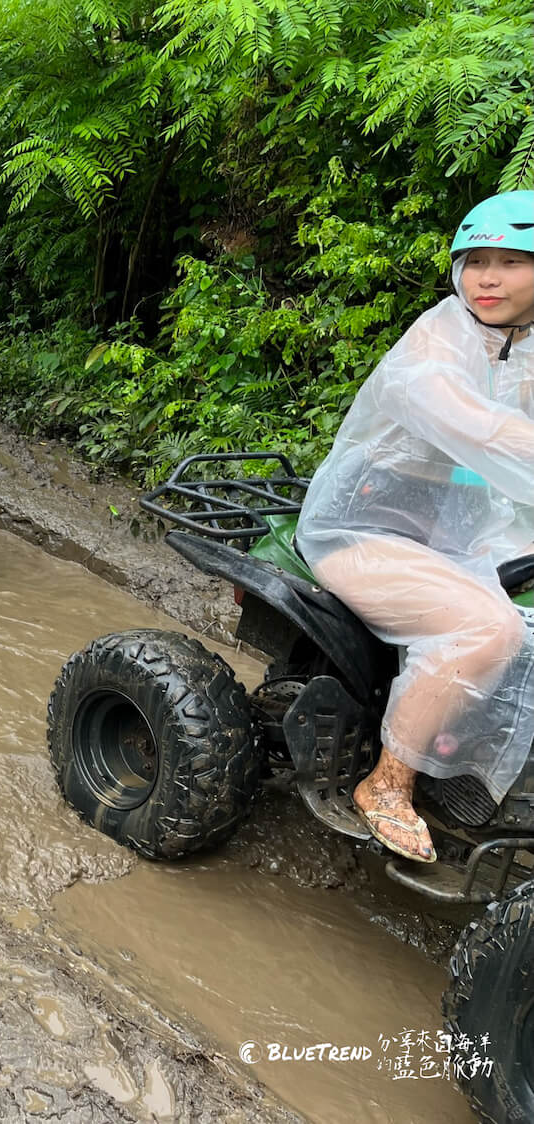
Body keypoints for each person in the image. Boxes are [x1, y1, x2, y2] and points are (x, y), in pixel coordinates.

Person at [296, 189, 534, 864]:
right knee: (489, 628)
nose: (487, 278)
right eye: (476, 261)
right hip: (365, 527)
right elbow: (473, 425)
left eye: (511, 262)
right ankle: (389, 783)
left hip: (461, 530)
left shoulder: (527, 343)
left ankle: (471, 770)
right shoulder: (437, 338)